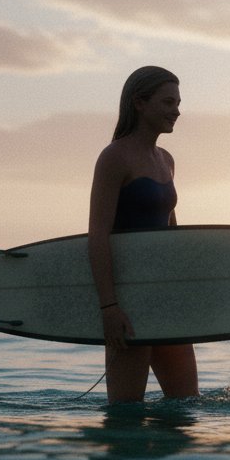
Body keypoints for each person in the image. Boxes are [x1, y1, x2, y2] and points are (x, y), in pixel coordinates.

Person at [87, 66, 199, 404]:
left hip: (164, 299)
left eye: (178, 103)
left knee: (185, 409)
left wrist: (186, 291)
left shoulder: (166, 159)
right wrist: (109, 307)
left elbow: (171, 234)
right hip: (129, 302)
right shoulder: (114, 157)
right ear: (139, 102)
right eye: (167, 102)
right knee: (125, 415)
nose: (176, 110)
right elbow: (98, 235)